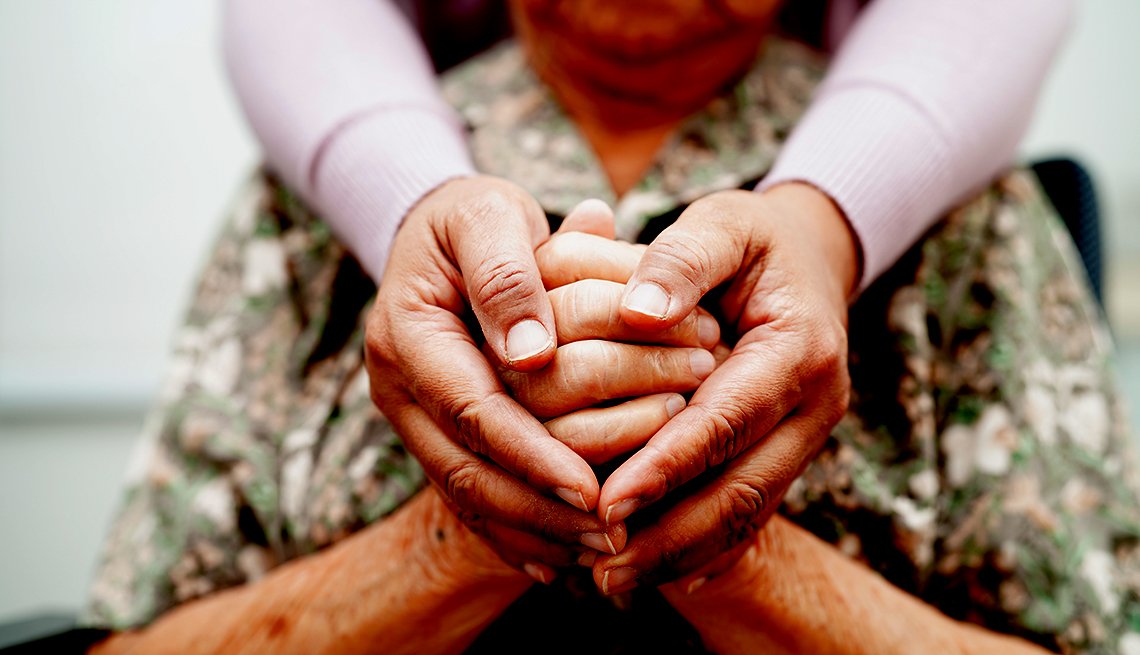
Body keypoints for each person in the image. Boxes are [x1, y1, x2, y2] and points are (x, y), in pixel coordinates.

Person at [81, 0, 1140, 653]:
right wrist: (471, 521)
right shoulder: (303, 209)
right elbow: (136, 635)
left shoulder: (969, 208)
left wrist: (724, 539)